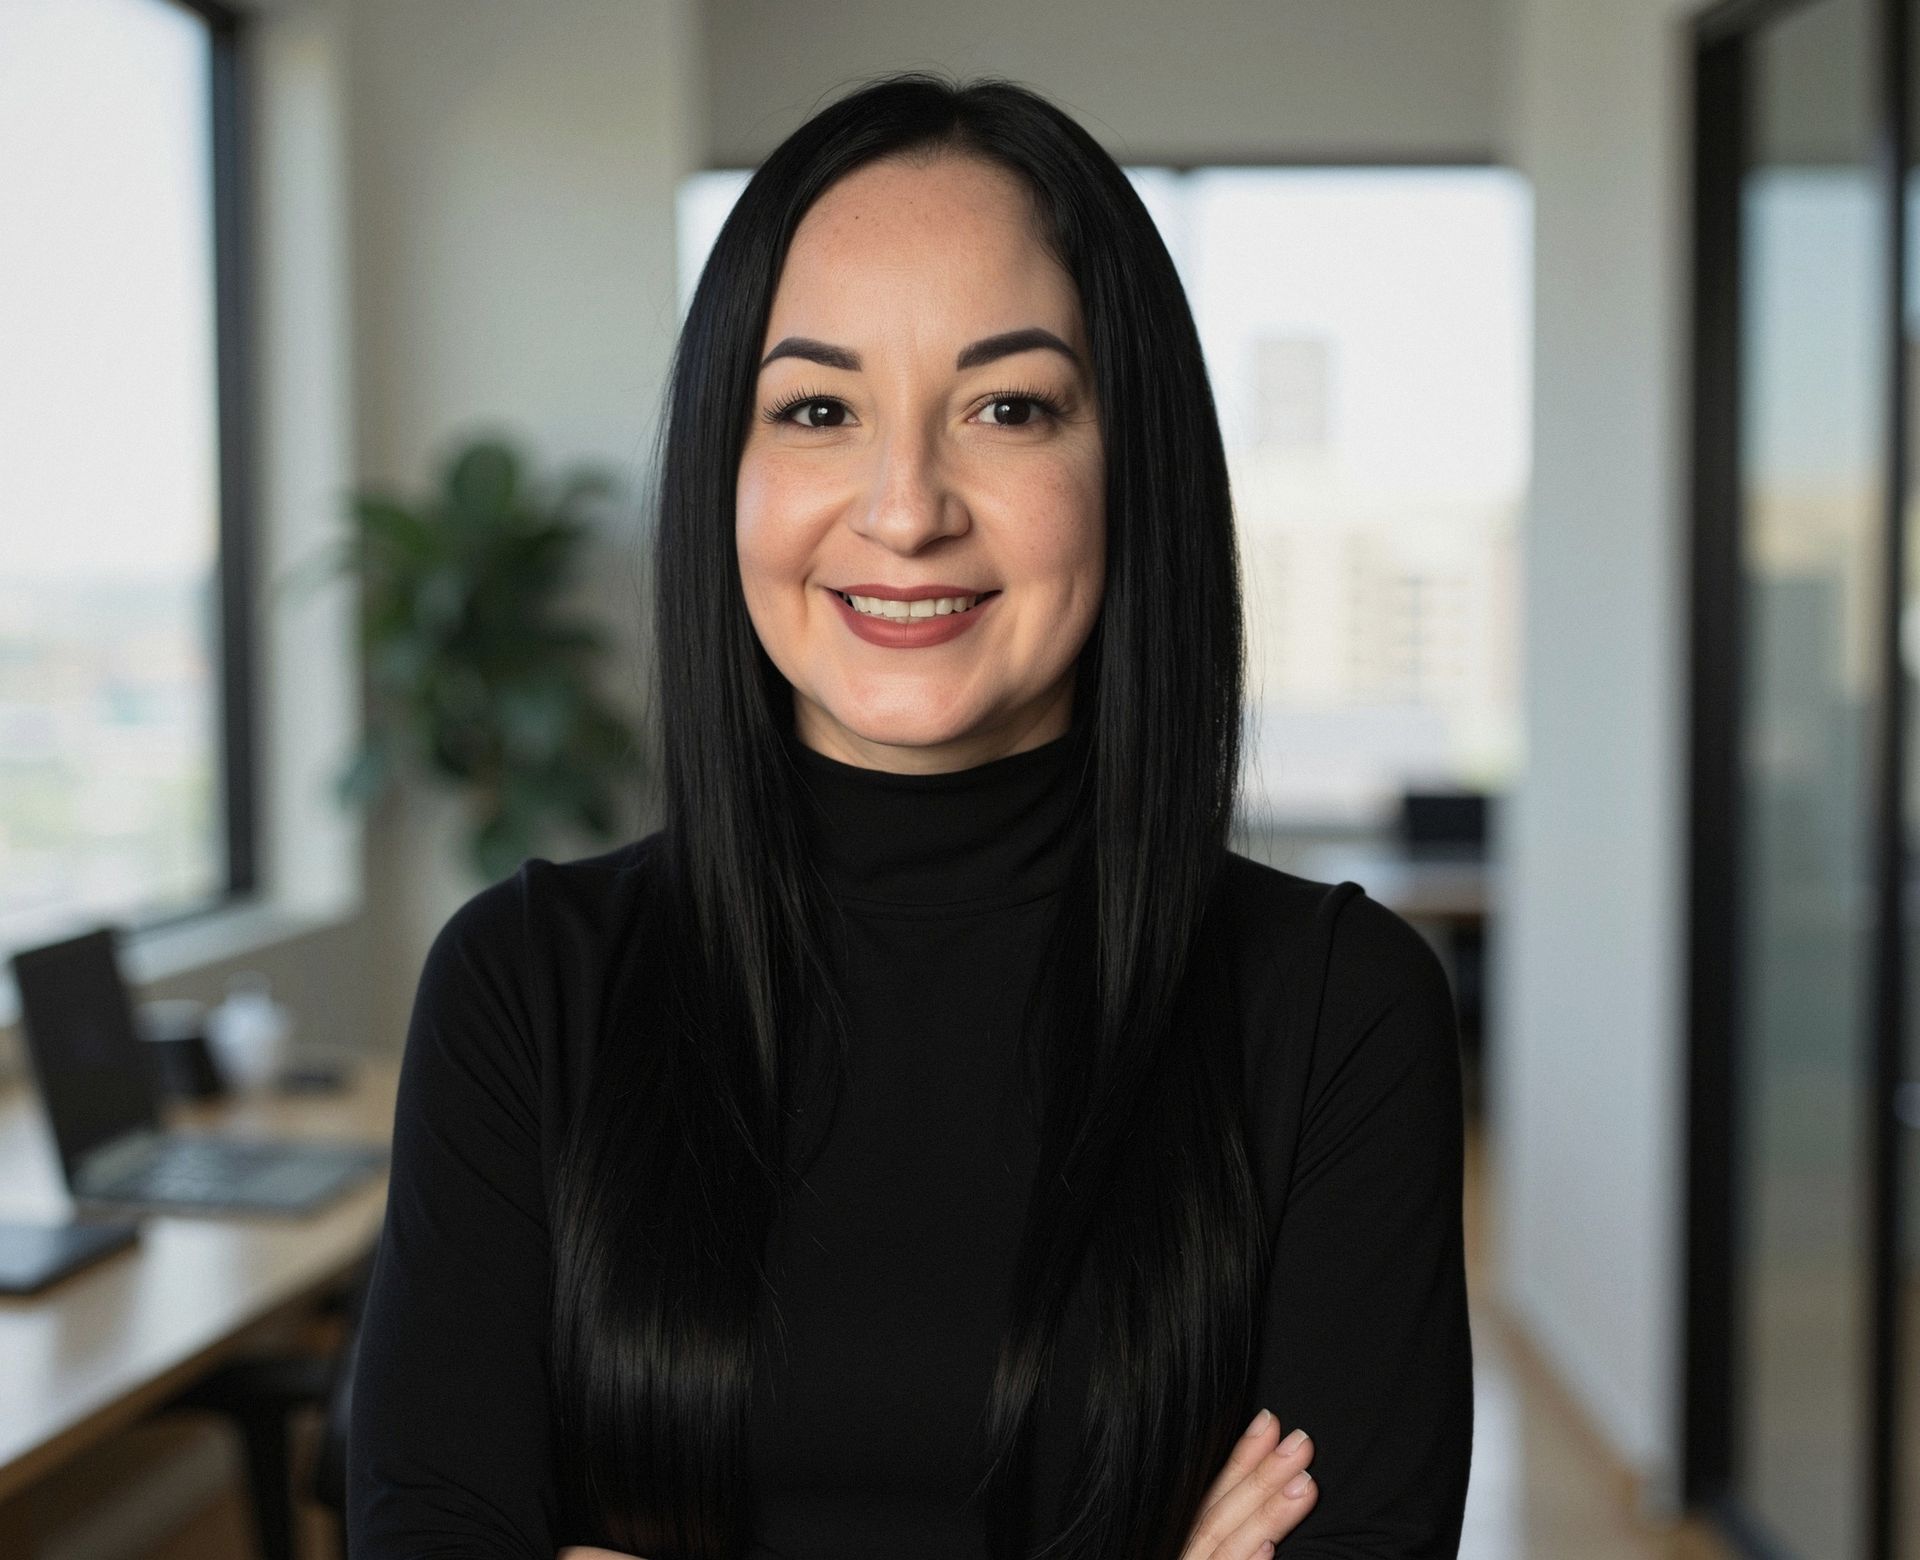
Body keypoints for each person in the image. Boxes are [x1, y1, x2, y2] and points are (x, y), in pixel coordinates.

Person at [346, 71, 1474, 1560]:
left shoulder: (1337, 1014)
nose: (905, 506)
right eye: (817, 407)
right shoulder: (526, 985)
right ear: (724, 470)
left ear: (1130, 466)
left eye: (1008, 407)